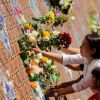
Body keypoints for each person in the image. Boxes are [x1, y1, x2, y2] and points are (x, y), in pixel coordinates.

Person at [33, 33, 100, 97]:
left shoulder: (96, 67)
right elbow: (67, 59)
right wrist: (41, 53)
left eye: (84, 45)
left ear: (93, 50)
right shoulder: (87, 57)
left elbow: (79, 86)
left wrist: (56, 93)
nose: (80, 47)